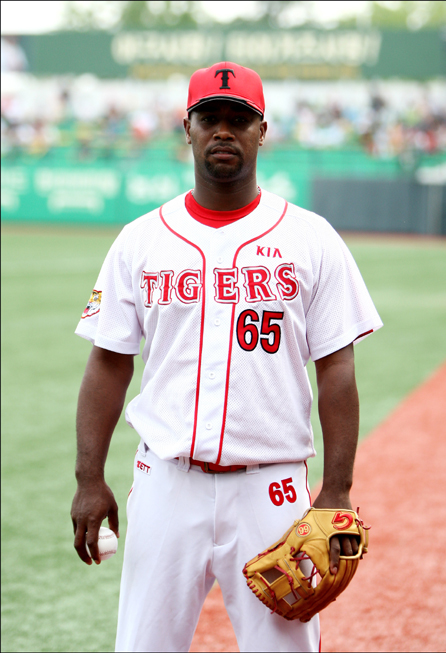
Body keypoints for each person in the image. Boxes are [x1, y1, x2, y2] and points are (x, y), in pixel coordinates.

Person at [71, 62, 383, 653]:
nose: (223, 130)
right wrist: (89, 478)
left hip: (272, 490)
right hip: (166, 483)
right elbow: (109, 362)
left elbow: (337, 369)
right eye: (209, 117)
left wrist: (338, 489)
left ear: (261, 131)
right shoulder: (141, 239)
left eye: (238, 119)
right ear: (186, 128)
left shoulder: (311, 237)